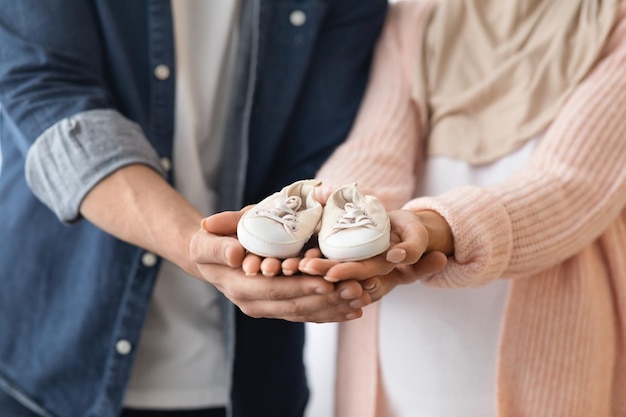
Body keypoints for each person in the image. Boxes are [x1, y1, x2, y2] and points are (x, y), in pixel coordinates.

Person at [215, 0, 626, 415]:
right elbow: (376, 149)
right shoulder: (419, 14)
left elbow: (569, 187)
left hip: (547, 342)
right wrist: (332, 207)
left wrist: (436, 228)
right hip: (399, 332)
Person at [0, 1, 387, 416]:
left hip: (251, 375)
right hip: (48, 359)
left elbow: (315, 155)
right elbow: (47, 90)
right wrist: (196, 247)